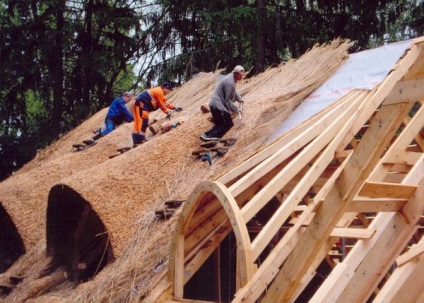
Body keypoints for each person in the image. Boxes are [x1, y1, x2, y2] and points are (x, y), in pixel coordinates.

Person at [200, 65, 245, 142]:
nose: (241, 77)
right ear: (236, 74)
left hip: (214, 104)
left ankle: (206, 135)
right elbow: (227, 101)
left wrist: (240, 99)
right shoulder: (230, 82)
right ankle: (213, 138)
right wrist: (237, 109)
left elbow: (233, 91)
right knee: (228, 123)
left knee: (220, 124)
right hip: (218, 105)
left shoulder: (231, 78)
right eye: (240, 75)